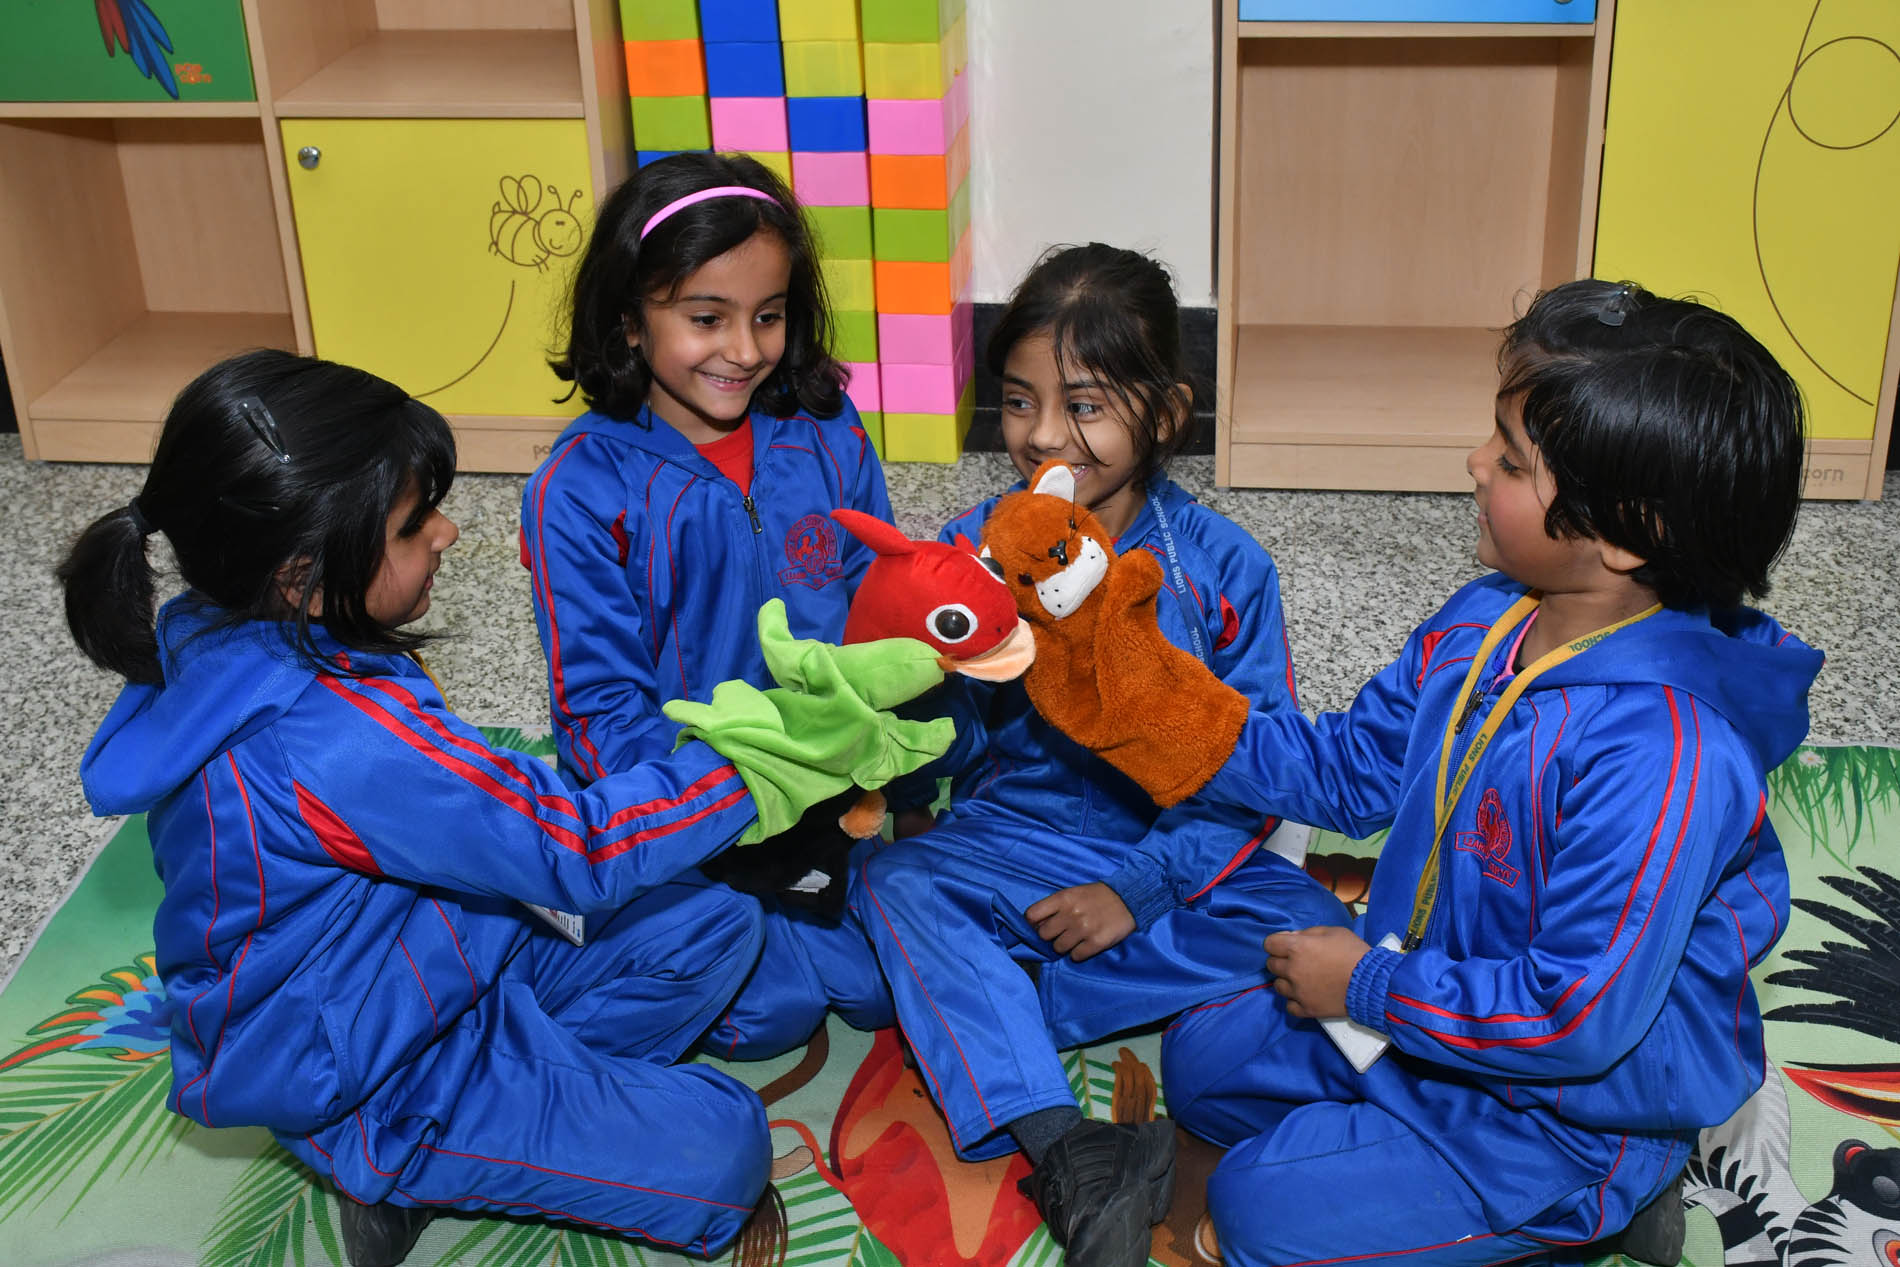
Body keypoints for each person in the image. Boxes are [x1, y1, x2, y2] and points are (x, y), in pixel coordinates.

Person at [60, 350, 943, 1267]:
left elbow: (494, 809)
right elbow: (578, 845)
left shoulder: (233, 627)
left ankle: (523, 1098)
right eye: (413, 525)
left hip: (424, 952)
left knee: (717, 926)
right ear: (301, 575)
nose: (445, 532)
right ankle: (395, 1151)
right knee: (726, 1149)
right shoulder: (332, 740)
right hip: (358, 1063)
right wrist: (761, 761)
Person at [1161, 279, 1821, 1267]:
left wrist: (1367, 985)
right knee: (1197, 1063)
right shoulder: (1489, 616)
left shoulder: (1668, 756)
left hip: (1564, 1112)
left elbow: (1575, 1017)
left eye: (1510, 460)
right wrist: (1170, 720)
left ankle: (1608, 1196)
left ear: (1623, 533)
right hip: (1425, 1009)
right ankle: (1393, 1153)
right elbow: (1351, 771)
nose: (1475, 463)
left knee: (1251, 1210)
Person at [851, 244, 1350, 1267]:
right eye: (1018, 400)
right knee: (891, 880)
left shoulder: (1225, 569)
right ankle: (1066, 1144)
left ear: (1164, 414)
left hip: (1179, 854)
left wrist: (1136, 887)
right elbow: (942, 740)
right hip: (1010, 839)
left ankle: (986, 1002)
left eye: (1083, 405)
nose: (1042, 434)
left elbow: (1249, 769)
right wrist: (942, 684)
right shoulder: (971, 548)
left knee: (1311, 926)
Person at [522, 151, 896, 1052]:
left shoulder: (827, 428)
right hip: (687, 805)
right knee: (773, 1010)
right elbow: (599, 711)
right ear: (628, 321)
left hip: (830, 791)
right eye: (705, 318)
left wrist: (875, 756)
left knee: (884, 985)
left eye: (768, 315)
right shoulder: (579, 489)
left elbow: (880, 601)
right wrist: (731, 798)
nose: (745, 349)